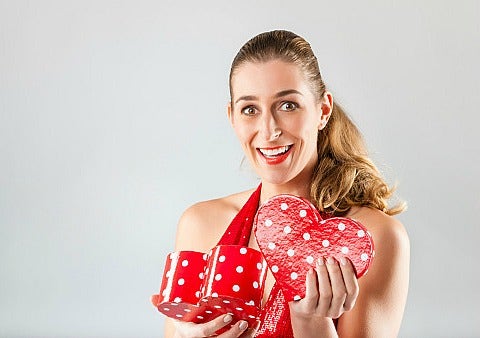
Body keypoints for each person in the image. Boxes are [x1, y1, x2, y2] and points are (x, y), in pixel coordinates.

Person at [164, 30, 410, 338]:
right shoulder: (201, 224)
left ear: (323, 110)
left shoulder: (370, 238)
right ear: (232, 117)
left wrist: (312, 324)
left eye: (288, 105)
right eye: (249, 109)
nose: (268, 131)